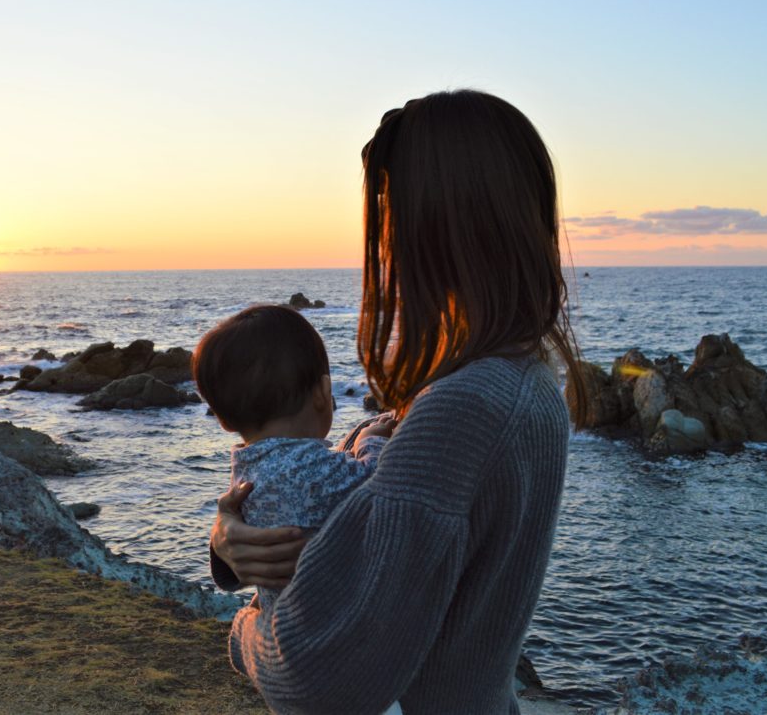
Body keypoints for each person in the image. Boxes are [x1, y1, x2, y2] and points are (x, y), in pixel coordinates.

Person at [209, 89, 589, 714]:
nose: (384, 241)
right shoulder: (516, 378)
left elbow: (317, 682)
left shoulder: (466, 408)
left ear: (435, 220)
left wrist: (245, 633)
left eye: (391, 211)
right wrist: (230, 550)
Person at [192, 304, 395, 610]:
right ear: (322, 391)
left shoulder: (247, 469)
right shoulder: (312, 467)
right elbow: (378, 482)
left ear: (225, 421)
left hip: (283, 621)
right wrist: (372, 441)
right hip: (329, 626)